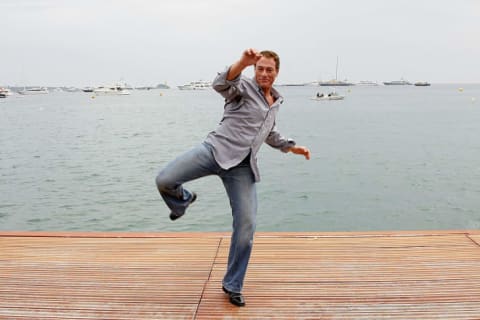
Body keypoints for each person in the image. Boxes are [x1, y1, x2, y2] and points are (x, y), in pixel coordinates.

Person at [155, 48, 311, 307]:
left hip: (241, 168)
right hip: (214, 151)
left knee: (246, 226)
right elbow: (220, 83)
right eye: (259, 68)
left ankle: (233, 284)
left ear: (277, 72)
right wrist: (242, 62)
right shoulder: (242, 88)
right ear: (254, 70)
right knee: (164, 179)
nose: (263, 73)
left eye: (268, 69)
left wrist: (291, 147)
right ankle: (182, 200)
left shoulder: (276, 101)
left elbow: (269, 133)